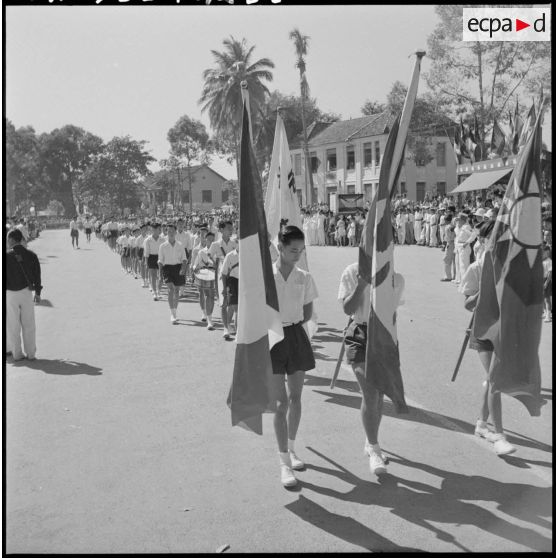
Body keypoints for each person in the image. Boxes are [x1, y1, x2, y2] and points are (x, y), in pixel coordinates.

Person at [338, 260, 405, 476]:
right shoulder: (352, 271)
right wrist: (362, 284)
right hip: (359, 333)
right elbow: (347, 308)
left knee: (379, 393)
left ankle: (370, 439)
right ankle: (375, 449)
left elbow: (391, 313)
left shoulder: (397, 278)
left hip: (384, 337)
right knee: (370, 390)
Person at [460, 220, 516, 456]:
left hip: (506, 328)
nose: (501, 242)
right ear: (483, 240)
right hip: (484, 328)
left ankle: (482, 424)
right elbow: (467, 303)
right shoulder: (476, 269)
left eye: (504, 237)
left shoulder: (511, 265)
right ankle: (500, 436)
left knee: (491, 378)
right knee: (495, 379)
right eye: (495, 237)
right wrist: (487, 286)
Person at [270, 226, 318, 488]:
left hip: (296, 337)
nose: (297, 254)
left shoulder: (304, 277)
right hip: (273, 337)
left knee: (295, 398)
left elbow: (308, 312)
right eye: (292, 250)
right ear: (280, 247)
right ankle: (283, 462)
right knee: (280, 404)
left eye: (301, 249)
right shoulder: (268, 276)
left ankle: (291, 447)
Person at [6, 229, 43, 361]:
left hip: (10, 294)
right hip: (26, 292)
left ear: (11, 240)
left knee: (12, 325)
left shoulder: (5, 256)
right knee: (29, 324)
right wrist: (38, 293)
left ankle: (17, 354)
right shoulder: (31, 255)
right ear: (21, 239)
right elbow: (37, 276)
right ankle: (31, 353)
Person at [210, 221, 237, 338]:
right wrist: (216, 260)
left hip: (234, 275)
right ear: (221, 230)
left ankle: (228, 324)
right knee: (223, 301)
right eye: (228, 228)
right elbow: (209, 258)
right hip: (221, 275)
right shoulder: (215, 244)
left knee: (232, 302)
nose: (231, 230)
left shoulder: (234, 243)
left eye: (232, 228)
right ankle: (226, 328)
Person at [158, 222, 187, 324]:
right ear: (166, 232)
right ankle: (172, 314)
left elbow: (184, 259)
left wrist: (183, 269)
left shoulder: (180, 245)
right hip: (167, 268)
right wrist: (160, 275)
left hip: (178, 268)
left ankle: (175, 311)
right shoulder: (162, 246)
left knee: (177, 291)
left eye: (172, 231)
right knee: (170, 289)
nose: (170, 233)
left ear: (175, 232)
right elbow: (160, 261)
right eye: (168, 231)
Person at [193, 231, 217, 330]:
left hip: (214, 275)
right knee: (207, 295)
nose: (210, 241)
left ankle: (209, 317)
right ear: (205, 240)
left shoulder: (217, 251)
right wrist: (194, 268)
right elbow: (196, 263)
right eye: (209, 239)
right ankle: (209, 320)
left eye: (212, 240)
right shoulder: (201, 252)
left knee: (212, 297)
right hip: (204, 274)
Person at [220, 244, 239, 340]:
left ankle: (226, 327)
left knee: (232, 307)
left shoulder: (249, 254)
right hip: (233, 282)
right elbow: (223, 273)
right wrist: (224, 288)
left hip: (244, 282)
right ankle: (237, 333)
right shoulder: (230, 255)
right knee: (236, 308)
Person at [143, 222, 164, 300]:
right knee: (153, 276)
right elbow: (146, 252)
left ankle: (159, 291)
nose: (159, 230)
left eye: (160, 229)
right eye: (158, 229)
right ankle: (155, 293)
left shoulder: (162, 239)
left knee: (161, 277)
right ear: (153, 230)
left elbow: (164, 250)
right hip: (151, 257)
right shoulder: (147, 240)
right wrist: (146, 261)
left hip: (160, 257)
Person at [542, 245, 553, 322]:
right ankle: (545, 312)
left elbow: (550, 273)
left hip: (546, 280)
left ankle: (548, 315)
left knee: (546, 298)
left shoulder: (549, 261)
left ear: (547, 253)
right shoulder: (541, 260)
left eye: (543, 252)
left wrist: (546, 282)